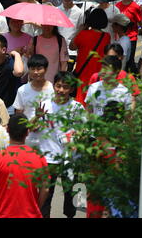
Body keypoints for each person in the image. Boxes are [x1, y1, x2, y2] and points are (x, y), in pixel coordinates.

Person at [34, 71, 83, 218]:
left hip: (70, 159)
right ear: (54, 86)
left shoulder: (77, 108)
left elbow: (84, 131)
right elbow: (32, 129)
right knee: (45, 194)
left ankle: (70, 215)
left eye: (65, 87)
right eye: (58, 86)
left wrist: (75, 138)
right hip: (48, 158)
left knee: (71, 193)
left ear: (72, 89)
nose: (61, 90)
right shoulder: (44, 105)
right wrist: (37, 117)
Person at [0, 113, 49, 218]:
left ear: (7, 130)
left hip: (2, 214)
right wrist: (36, 206)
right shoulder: (39, 157)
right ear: (27, 132)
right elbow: (45, 188)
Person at [70, 8, 111, 104]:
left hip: (82, 75)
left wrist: (79, 30)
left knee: (81, 104)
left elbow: (72, 47)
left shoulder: (83, 34)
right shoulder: (106, 36)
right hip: (99, 75)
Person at [13, 54, 54, 147]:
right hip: (28, 137)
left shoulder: (53, 89)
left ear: (46, 69)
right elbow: (19, 115)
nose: (35, 72)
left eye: (39, 69)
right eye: (32, 69)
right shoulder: (22, 90)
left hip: (48, 137)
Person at [115, 0, 142, 74]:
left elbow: (140, 22)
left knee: (128, 61)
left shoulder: (135, 7)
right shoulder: (117, 5)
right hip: (118, 38)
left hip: (131, 38)